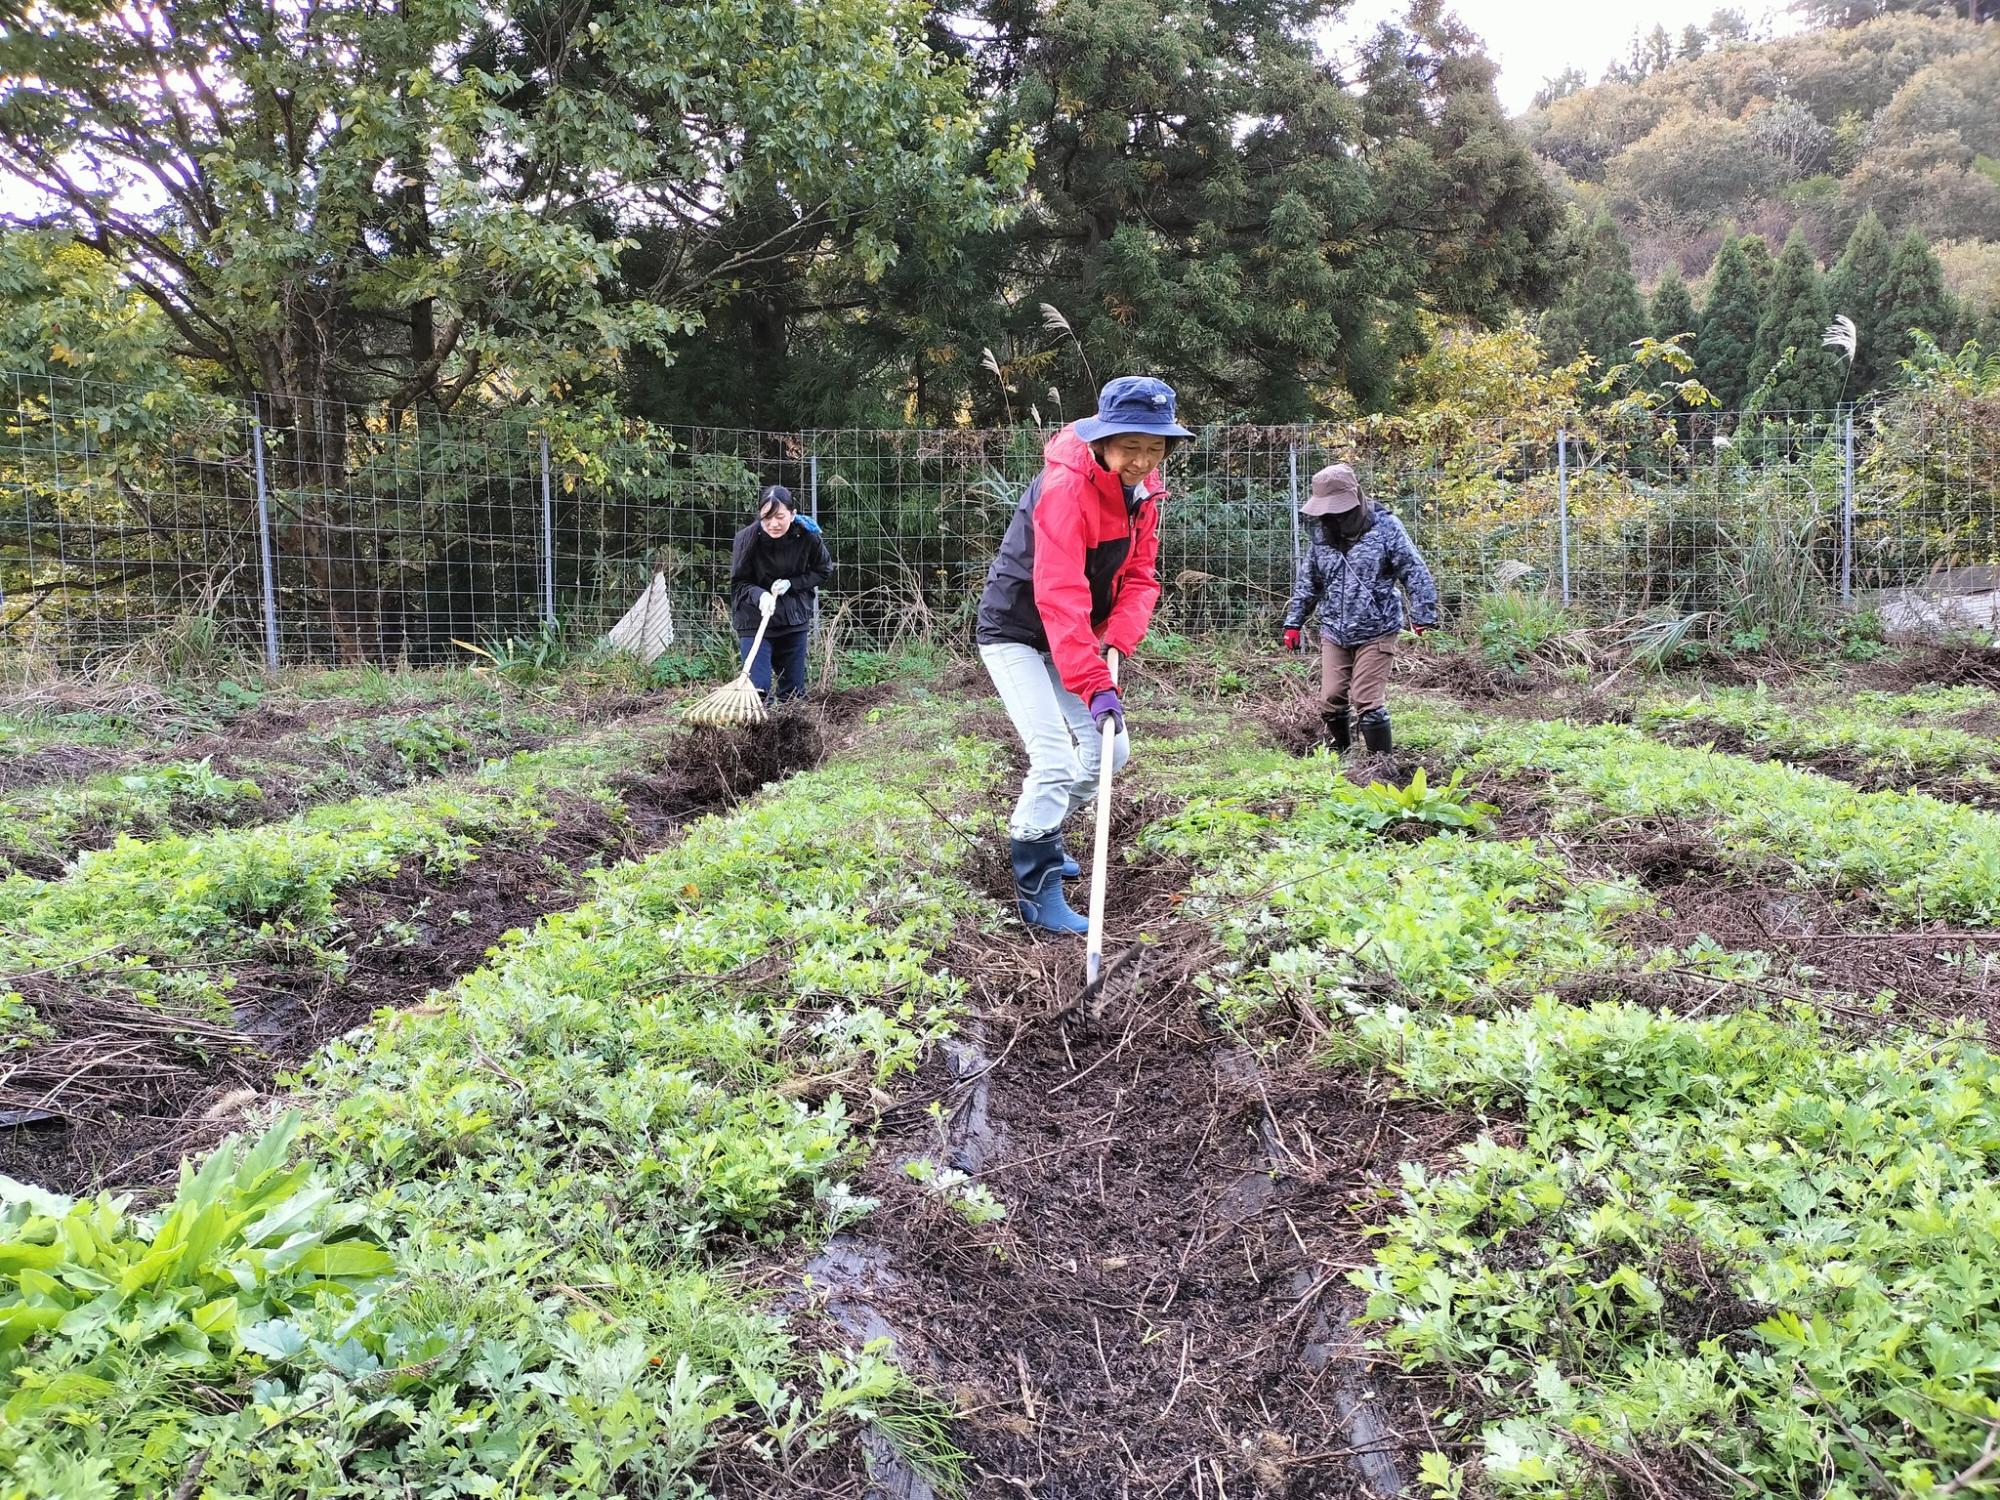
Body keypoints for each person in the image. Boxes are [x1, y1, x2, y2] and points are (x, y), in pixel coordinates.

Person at [976, 375, 1190, 934]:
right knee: (1053, 760)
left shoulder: (1146, 491)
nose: (1143, 461)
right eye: (1131, 448)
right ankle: (1036, 885)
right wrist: (1095, 683)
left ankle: (1045, 828)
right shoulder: (1067, 488)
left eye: (1155, 448)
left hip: (1073, 634)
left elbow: (1142, 576)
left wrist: (1118, 634)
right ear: (1103, 442)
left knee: (1110, 756)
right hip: (1018, 630)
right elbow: (1059, 590)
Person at [1280, 462, 1438, 769]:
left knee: (1368, 702)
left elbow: (1413, 569)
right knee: (1330, 700)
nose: (1333, 517)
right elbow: (1309, 581)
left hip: (1377, 628)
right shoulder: (1322, 535)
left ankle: (1383, 766)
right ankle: (1343, 756)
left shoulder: (1386, 527)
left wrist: (1422, 613)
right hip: (1334, 631)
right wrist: (1293, 621)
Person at [729, 484, 831, 703]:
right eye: (766, 517)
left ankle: (790, 734)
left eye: (780, 516)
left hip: (793, 617)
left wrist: (792, 584)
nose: (773, 524)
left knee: (793, 693)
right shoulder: (746, 539)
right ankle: (756, 733)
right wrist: (760, 596)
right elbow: (739, 583)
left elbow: (823, 570)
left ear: (793, 514)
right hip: (755, 620)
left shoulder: (808, 536)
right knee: (758, 691)